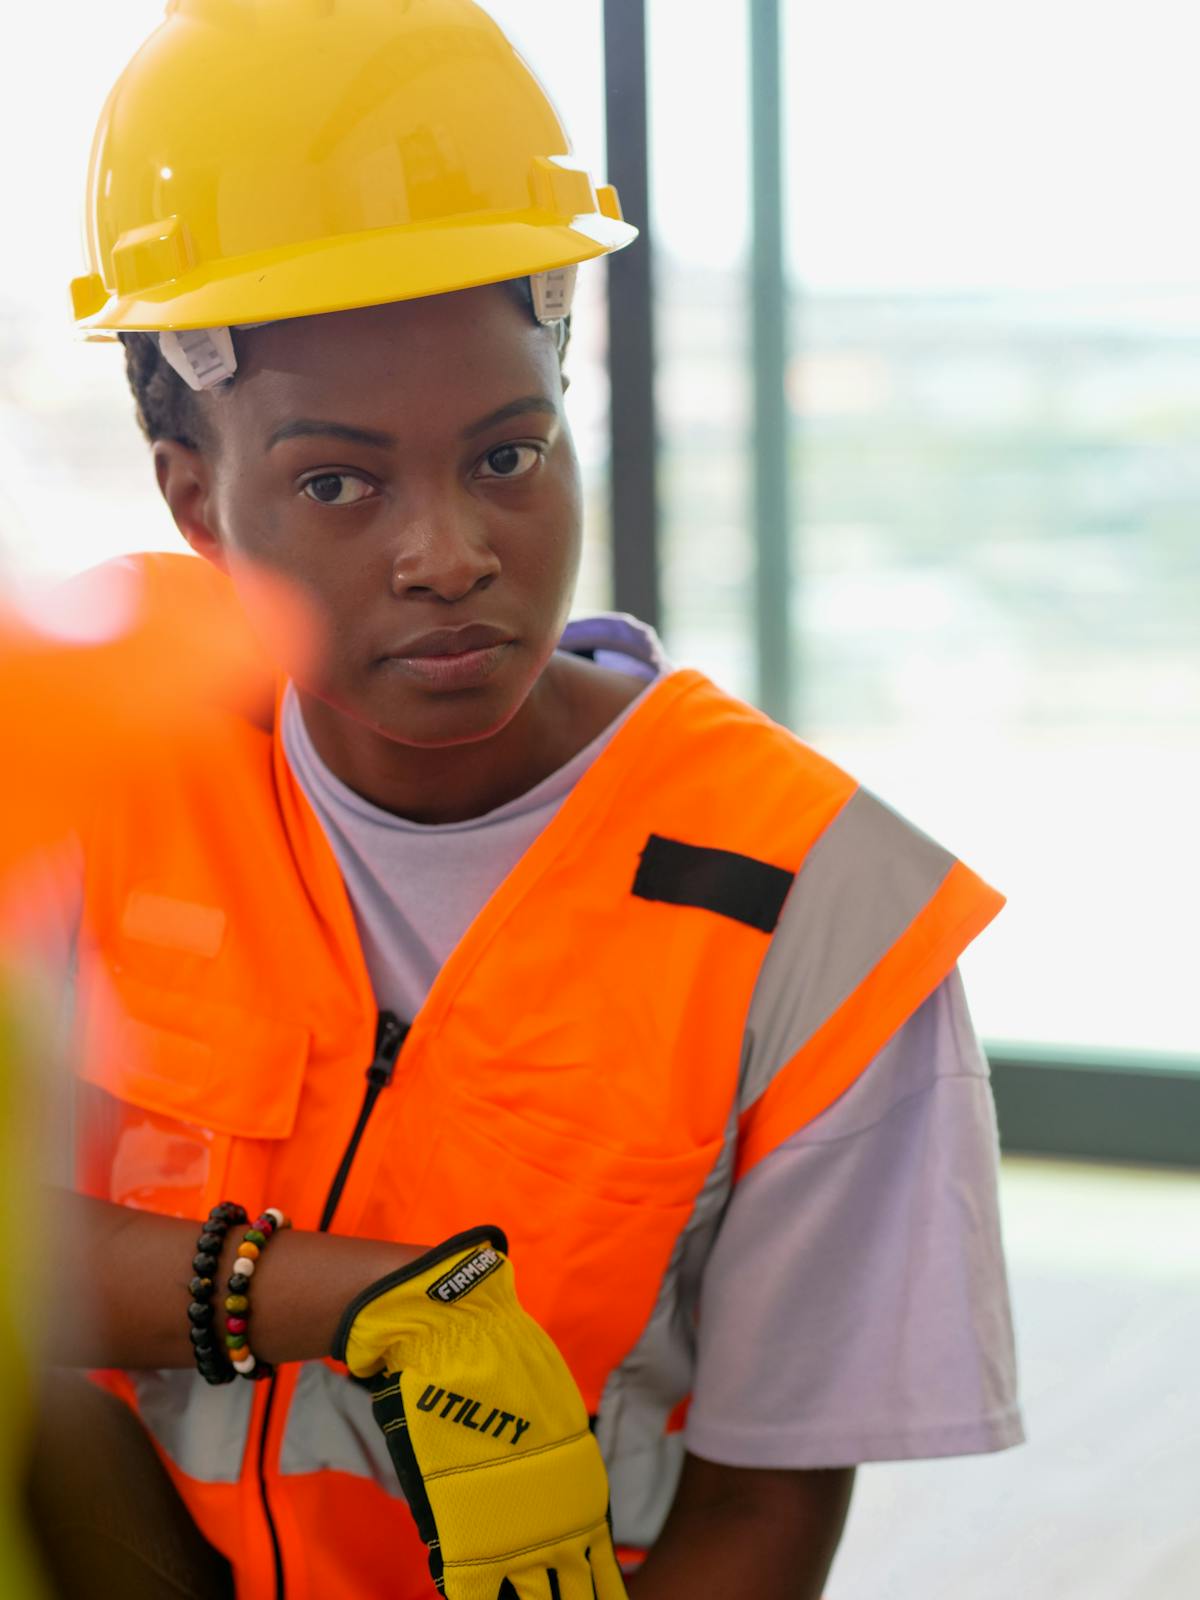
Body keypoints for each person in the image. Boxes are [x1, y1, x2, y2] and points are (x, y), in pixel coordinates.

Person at [24, 1, 1024, 1596]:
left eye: (508, 455)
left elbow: (762, 1516)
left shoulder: (813, 913)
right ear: (194, 496)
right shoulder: (89, 752)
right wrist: (328, 1292)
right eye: (338, 483)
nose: (451, 554)